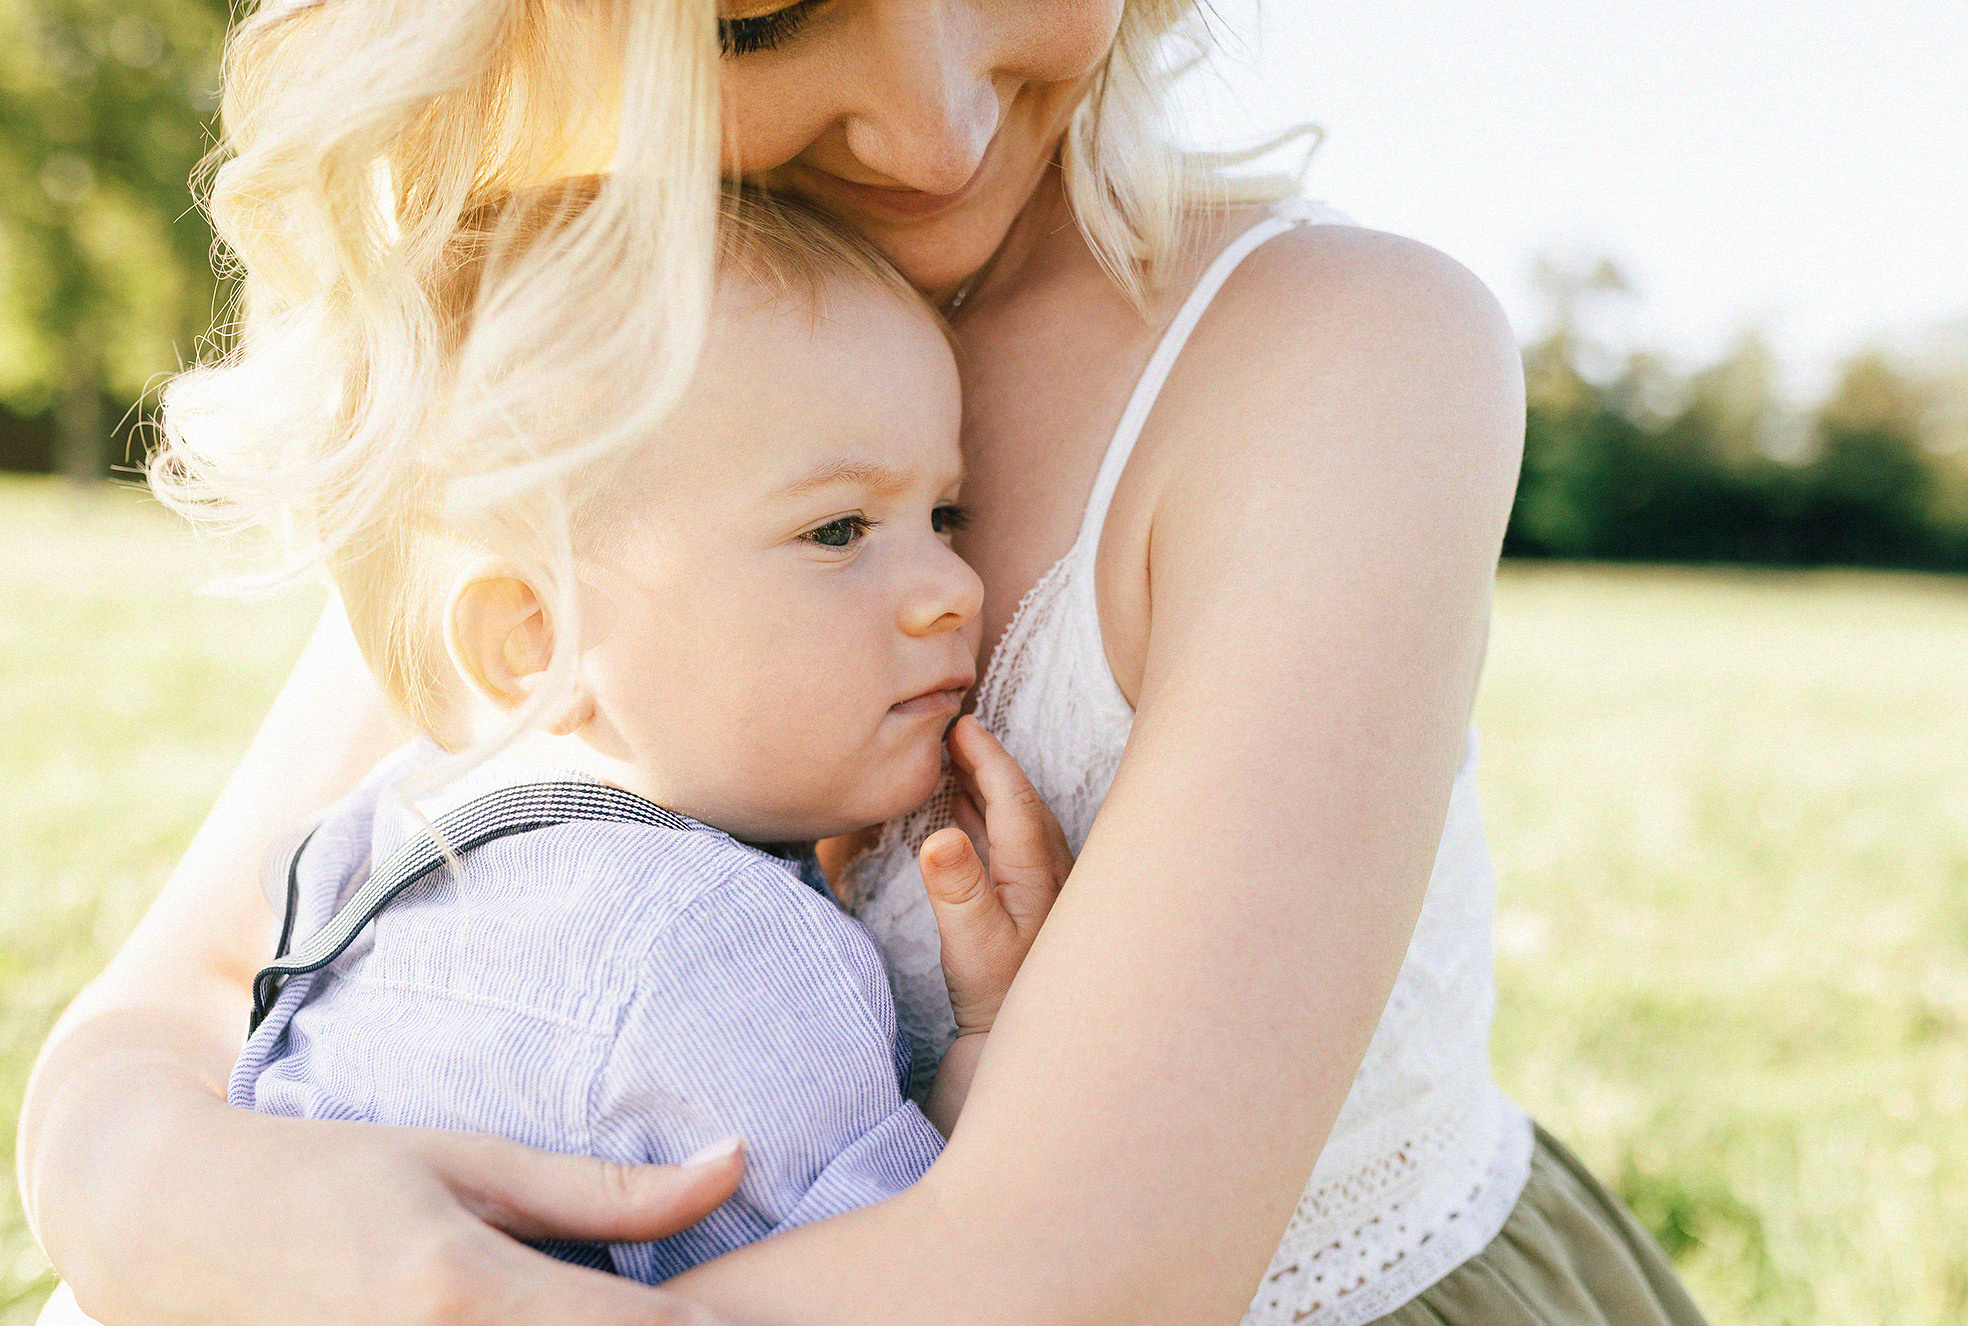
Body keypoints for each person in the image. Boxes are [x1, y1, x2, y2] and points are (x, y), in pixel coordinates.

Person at [18, 2, 1711, 1324]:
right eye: (759, 21)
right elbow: (140, 1044)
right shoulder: (579, 358)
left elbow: (1072, 1286)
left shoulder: (1338, 361)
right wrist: (264, 1236)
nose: (938, 119)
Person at [218, 185, 1077, 1284]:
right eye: (838, 529)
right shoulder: (725, 951)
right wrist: (996, 1044)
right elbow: (921, 1281)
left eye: (944, 516)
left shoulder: (385, 822)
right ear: (539, 640)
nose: (954, 587)